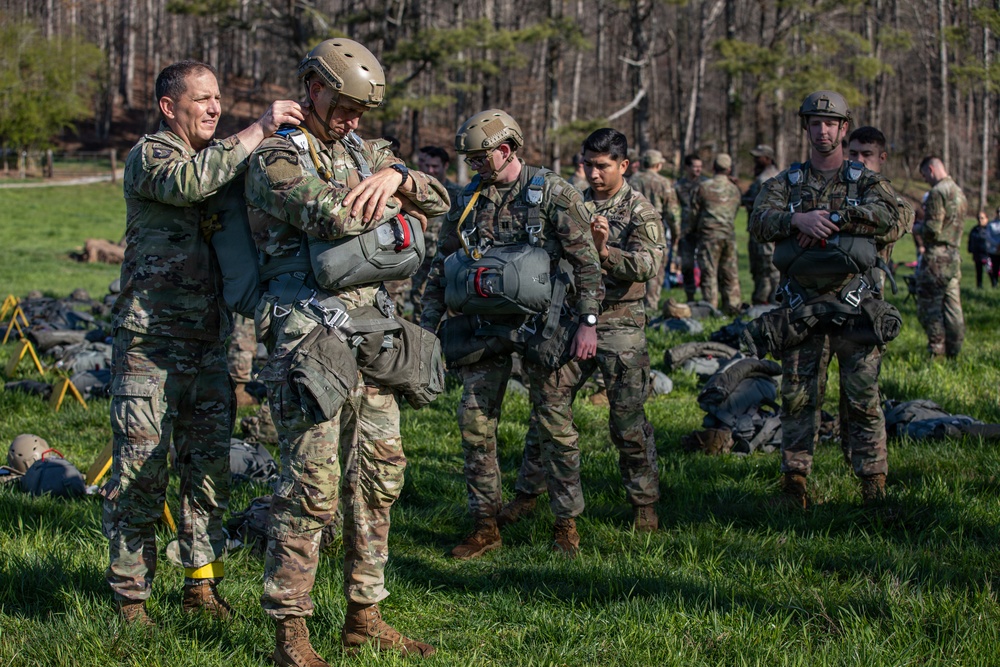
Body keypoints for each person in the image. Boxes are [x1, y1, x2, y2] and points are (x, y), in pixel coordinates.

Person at [245, 38, 449, 663]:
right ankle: (290, 629)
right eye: (346, 105)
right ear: (314, 87)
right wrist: (393, 205)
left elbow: (438, 203)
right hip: (308, 337)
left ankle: (365, 613)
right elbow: (328, 214)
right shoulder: (277, 156)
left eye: (363, 110)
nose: (354, 120)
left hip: (372, 336)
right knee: (311, 485)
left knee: (379, 476)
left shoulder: (369, 152)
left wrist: (399, 176)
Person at [104, 60, 303, 625]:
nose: (215, 108)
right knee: (141, 474)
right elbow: (188, 183)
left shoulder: (221, 166)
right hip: (150, 347)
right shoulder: (152, 157)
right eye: (203, 99)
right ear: (171, 107)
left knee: (208, 472)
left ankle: (201, 584)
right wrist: (258, 127)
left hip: (210, 345)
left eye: (219, 98)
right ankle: (131, 599)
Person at [420, 109, 602, 559]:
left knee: (555, 427)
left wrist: (589, 323)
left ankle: (566, 525)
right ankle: (485, 523)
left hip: (546, 327)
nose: (474, 167)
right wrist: (426, 331)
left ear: (505, 150)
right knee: (474, 425)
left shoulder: (554, 194)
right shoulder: (468, 199)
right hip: (483, 328)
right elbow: (441, 267)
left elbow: (588, 264)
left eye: (480, 158)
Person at [497, 128, 663, 533]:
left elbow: (647, 265)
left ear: (624, 166)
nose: (593, 174)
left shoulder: (640, 210)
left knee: (627, 419)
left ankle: (644, 502)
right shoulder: (575, 202)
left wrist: (605, 252)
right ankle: (529, 493)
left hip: (620, 323)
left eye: (602, 166)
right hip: (571, 321)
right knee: (546, 410)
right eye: (587, 164)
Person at [749, 90, 903, 508]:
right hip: (802, 307)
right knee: (798, 396)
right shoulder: (786, 183)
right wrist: (795, 219)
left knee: (862, 398)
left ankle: (873, 483)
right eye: (814, 123)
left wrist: (833, 222)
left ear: (843, 128)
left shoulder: (865, 180)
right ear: (806, 127)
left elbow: (894, 219)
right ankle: (795, 481)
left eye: (830, 124)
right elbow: (759, 222)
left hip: (857, 307)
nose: (822, 130)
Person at [846, 127, 915, 290]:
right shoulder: (834, 192)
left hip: (867, 290)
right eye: (853, 154)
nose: (859, 160)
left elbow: (887, 230)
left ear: (882, 158)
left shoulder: (894, 204)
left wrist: (838, 220)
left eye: (867, 154)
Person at [917, 155, 967, 358]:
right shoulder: (959, 192)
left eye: (924, 175)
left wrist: (916, 229)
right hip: (954, 255)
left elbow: (932, 229)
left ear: (931, 169)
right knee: (953, 306)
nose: (925, 180)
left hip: (936, 259)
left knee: (930, 307)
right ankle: (955, 351)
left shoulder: (937, 193)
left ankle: (936, 352)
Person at [409, 145, 465, 318]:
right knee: (420, 301)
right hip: (420, 257)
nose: (430, 170)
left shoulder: (458, 194)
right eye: (427, 166)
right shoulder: (414, 191)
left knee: (453, 303)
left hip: (449, 258)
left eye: (435, 166)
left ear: (446, 165)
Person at [630, 148, 680, 313]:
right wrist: (676, 232)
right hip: (655, 229)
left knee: (632, 265)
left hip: (631, 228)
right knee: (655, 269)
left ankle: (633, 304)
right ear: (658, 165)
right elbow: (672, 212)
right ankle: (650, 306)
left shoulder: (631, 180)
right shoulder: (663, 183)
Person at [691, 153, 742, 314]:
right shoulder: (734, 189)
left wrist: (694, 228)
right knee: (730, 272)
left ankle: (710, 307)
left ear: (713, 168)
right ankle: (733, 306)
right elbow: (734, 212)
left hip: (709, 235)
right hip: (728, 234)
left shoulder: (704, 187)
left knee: (709, 272)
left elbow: (694, 212)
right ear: (728, 169)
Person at [741, 144, 781, 304]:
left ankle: (773, 299)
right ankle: (764, 297)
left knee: (767, 266)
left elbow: (760, 204)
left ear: (767, 159)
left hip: (765, 230)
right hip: (763, 229)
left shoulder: (766, 179)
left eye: (758, 157)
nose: (755, 160)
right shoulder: (771, 175)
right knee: (762, 266)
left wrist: (746, 199)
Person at [675, 154, 707, 302]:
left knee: (705, 263)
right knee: (687, 264)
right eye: (695, 166)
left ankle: (708, 297)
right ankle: (690, 296)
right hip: (686, 230)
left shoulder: (706, 184)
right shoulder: (679, 185)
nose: (698, 169)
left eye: (700, 166)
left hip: (703, 229)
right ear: (687, 167)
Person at [967, 211, 991, 289]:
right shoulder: (974, 230)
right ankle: (979, 286)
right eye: (979, 218)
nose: (980, 220)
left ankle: (994, 285)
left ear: (987, 219)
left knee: (990, 271)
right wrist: (970, 248)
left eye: (982, 218)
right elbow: (970, 240)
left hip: (987, 254)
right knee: (978, 272)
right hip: (977, 254)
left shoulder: (990, 229)